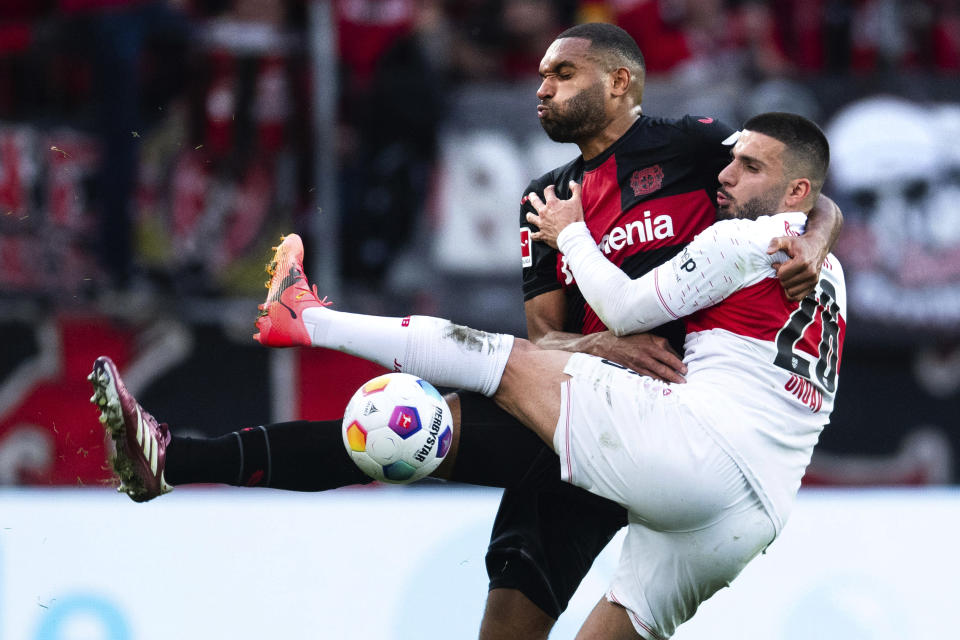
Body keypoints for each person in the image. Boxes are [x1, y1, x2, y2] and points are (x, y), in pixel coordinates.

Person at [90, 23, 842, 639]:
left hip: (664, 426)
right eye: (541, 76)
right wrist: (600, 345)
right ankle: (176, 455)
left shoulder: (695, 146)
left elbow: (800, 192)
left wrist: (813, 240)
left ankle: (215, 419)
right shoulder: (543, 201)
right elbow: (546, 336)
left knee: (401, 429)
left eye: (564, 75)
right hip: (586, 406)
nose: (542, 90)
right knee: (412, 472)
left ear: (621, 83)